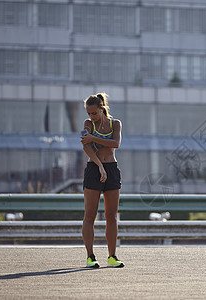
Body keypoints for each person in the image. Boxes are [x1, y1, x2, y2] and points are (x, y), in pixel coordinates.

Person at [81, 92, 124, 268]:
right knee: (90, 215)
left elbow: (116, 143)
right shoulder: (88, 125)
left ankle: (112, 256)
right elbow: (86, 145)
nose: (91, 116)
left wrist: (94, 138)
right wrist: (99, 165)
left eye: (94, 113)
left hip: (112, 169)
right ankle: (90, 256)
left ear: (102, 109)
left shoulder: (115, 124)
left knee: (111, 216)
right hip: (94, 169)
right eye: (89, 113)